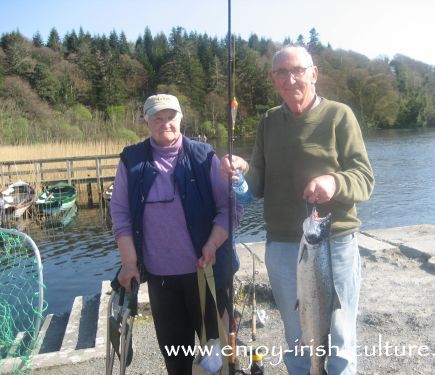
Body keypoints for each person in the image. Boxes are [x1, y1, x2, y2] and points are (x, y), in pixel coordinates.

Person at [220, 46, 374, 374]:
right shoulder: (268, 122)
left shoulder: (339, 116)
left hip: (334, 244)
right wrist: (241, 176)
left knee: (340, 339)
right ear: (273, 79)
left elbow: (364, 179)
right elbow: (257, 186)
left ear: (313, 74)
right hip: (282, 247)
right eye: (281, 73)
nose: (290, 79)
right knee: (296, 336)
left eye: (297, 71)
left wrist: (334, 182)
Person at [111, 93, 240, 374]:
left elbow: (230, 210)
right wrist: (129, 263)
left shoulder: (203, 156)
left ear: (181, 118)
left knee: (218, 357)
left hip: (206, 276)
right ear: (145, 121)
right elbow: (120, 215)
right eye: (157, 118)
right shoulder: (130, 161)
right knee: (175, 357)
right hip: (161, 281)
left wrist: (212, 244)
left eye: (171, 117)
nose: (165, 123)